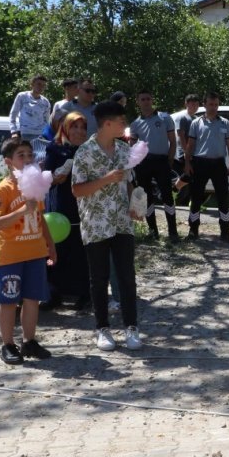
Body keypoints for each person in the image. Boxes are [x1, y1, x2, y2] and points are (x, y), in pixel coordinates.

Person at [72, 100, 142, 351]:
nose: (126, 125)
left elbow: (130, 183)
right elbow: (77, 190)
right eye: (122, 121)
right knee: (99, 279)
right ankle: (102, 329)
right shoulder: (85, 152)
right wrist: (106, 179)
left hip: (122, 222)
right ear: (108, 123)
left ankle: (131, 328)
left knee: (127, 277)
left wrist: (136, 204)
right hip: (96, 224)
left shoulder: (125, 150)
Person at [0, 139, 56, 365]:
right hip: (10, 255)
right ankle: (7, 344)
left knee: (32, 299)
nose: (27, 159)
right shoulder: (3, 189)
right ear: (9, 162)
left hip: (35, 252)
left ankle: (29, 341)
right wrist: (21, 210)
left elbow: (41, 219)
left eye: (30, 155)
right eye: (21, 155)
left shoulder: (35, 184)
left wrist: (51, 245)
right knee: (8, 300)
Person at [42, 113, 91, 309]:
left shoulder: (89, 150)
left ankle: (84, 293)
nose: (79, 131)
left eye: (82, 127)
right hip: (59, 206)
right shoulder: (54, 148)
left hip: (83, 205)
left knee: (81, 250)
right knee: (57, 249)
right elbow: (46, 178)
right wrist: (57, 176)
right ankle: (54, 293)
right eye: (74, 127)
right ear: (65, 128)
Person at [184, 92, 229, 243]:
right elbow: (190, 145)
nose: (213, 107)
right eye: (210, 104)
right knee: (196, 198)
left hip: (218, 164)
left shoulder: (224, 123)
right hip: (199, 163)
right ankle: (193, 230)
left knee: (223, 198)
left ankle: (225, 231)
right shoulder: (196, 123)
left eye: (216, 104)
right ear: (205, 105)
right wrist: (187, 163)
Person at [130, 89, 179, 241]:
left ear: (152, 100)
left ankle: (173, 231)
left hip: (162, 161)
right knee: (146, 197)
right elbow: (132, 145)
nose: (145, 102)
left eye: (148, 99)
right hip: (143, 164)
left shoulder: (165, 118)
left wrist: (170, 161)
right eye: (142, 99)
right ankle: (153, 231)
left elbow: (173, 141)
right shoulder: (135, 124)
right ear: (138, 102)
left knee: (167, 196)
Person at [172, 94, 202, 205]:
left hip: (195, 152)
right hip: (184, 152)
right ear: (186, 104)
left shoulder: (195, 119)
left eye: (196, 104)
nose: (194, 106)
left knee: (192, 176)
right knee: (190, 175)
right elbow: (181, 135)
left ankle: (188, 200)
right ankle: (174, 190)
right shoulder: (183, 117)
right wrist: (186, 151)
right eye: (192, 104)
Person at [9, 75, 52, 142]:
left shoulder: (45, 102)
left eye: (43, 85)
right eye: (39, 84)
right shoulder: (22, 96)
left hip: (40, 135)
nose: (41, 87)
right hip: (25, 133)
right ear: (32, 84)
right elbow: (13, 114)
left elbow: (47, 120)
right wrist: (13, 132)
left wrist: (46, 135)